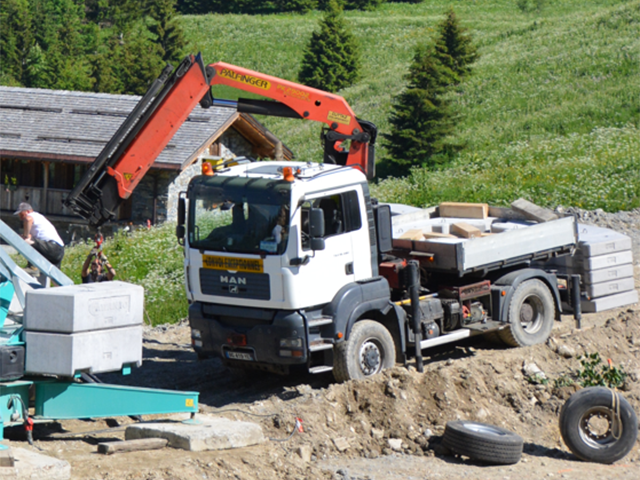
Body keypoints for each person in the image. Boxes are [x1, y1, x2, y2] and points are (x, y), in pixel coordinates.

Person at [14, 202, 65, 268]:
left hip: (52, 247)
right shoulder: (40, 217)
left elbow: (28, 219)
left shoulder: (32, 215)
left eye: (21, 215)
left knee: (26, 240)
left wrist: (25, 236)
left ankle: (32, 267)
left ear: (28, 211)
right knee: (52, 274)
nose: (21, 218)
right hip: (59, 249)